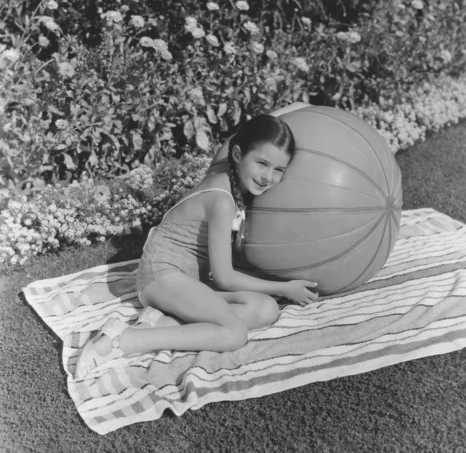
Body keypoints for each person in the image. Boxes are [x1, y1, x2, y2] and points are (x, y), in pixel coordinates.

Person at [75, 113, 318, 380]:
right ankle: (125, 340)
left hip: (188, 281)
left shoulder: (224, 166)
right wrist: (285, 287)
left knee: (267, 309)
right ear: (238, 155)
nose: (268, 177)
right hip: (161, 276)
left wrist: (301, 109)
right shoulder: (222, 201)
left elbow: (234, 137)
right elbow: (225, 279)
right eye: (262, 163)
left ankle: (163, 321)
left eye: (279, 169)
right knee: (235, 333)